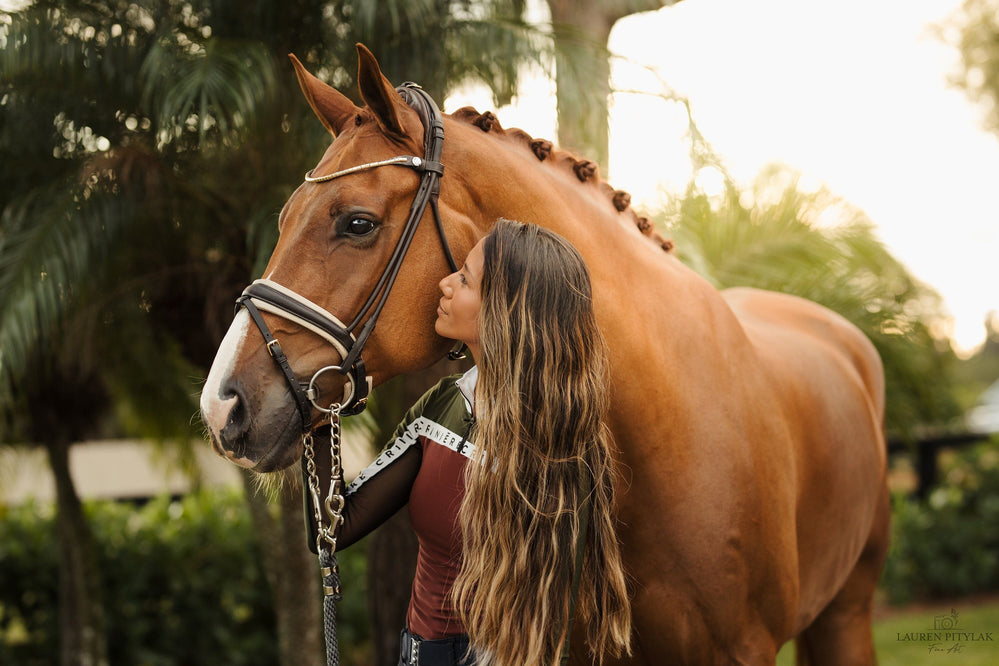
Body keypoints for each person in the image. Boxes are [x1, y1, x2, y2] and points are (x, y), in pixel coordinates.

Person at [334, 219, 632, 666]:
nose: (445, 283)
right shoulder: (444, 405)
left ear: (506, 312)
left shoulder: (562, 446)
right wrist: (319, 413)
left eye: (466, 279)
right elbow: (334, 528)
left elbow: (551, 625)